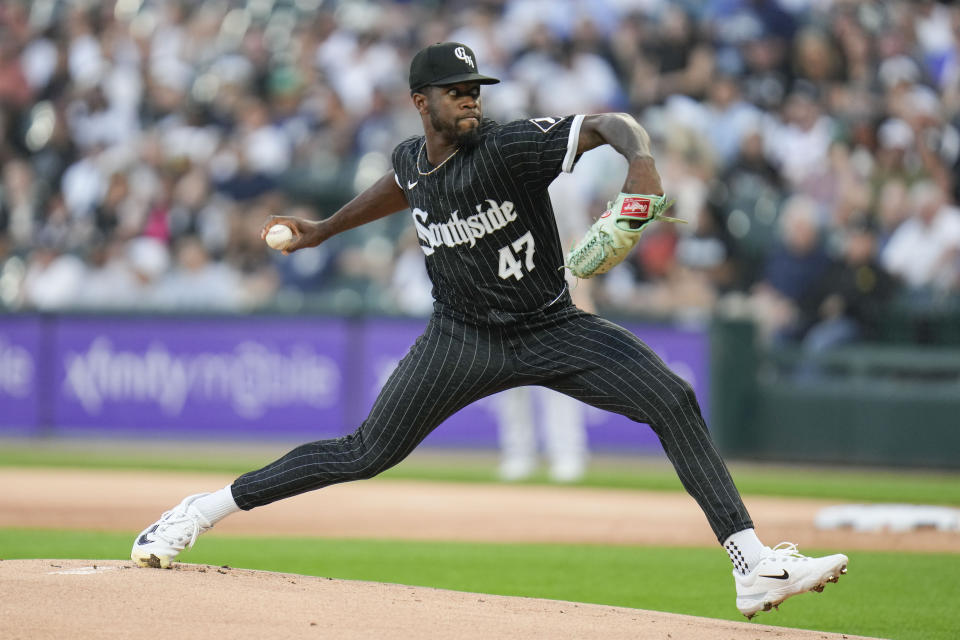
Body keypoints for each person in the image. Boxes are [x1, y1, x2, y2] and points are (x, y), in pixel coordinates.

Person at [131, 42, 848, 619]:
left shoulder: (508, 148)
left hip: (551, 325)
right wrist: (322, 230)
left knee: (672, 398)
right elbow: (403, 186)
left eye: (477, 89)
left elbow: (606, 124)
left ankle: (752, 565)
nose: (472, 99)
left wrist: (642, 164)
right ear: (422, 102)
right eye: (457, 91)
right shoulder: (412, 160)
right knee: (363, 452)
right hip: (461, 338)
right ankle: (197, 513)